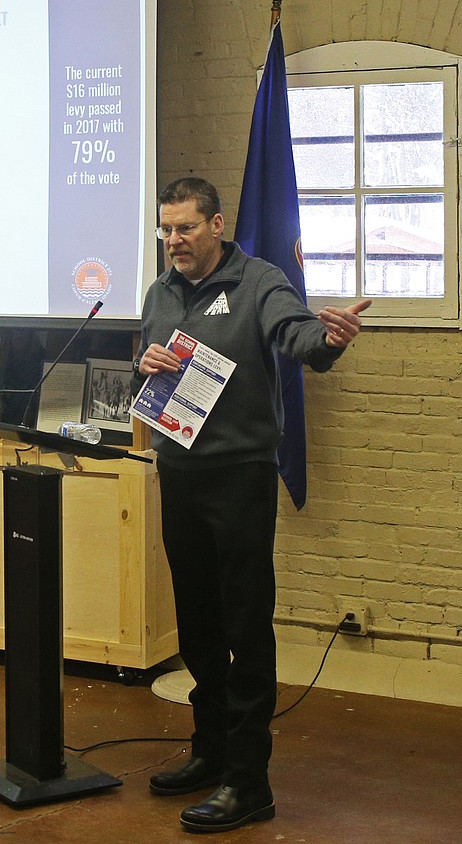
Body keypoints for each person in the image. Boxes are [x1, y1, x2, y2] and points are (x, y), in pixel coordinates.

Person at [133, 177, 370, 834]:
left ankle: (249, 782)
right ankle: (209, 753)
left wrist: (328, 341)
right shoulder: (158, 293)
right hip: (178, 473)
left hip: (239, 478)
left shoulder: (258, 281)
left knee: (243, 629)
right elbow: (148, 374)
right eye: (166, 229)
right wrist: (145, 364)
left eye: (185, 228)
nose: (174, 241)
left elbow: (297, 338)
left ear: (216, 224)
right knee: (199, 628)